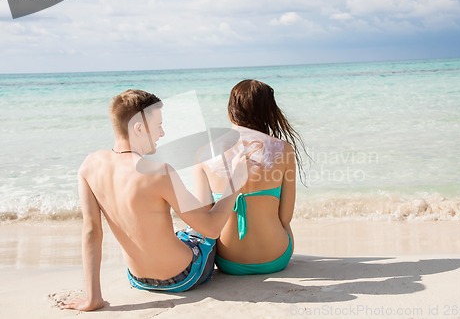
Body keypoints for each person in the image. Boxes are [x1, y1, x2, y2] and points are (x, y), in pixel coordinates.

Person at [61, 89, 245, 311]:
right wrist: (234, 182)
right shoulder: (158, 172)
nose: (163, 133)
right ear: (139, 128)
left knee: (183, 229)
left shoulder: (89, 165)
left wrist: (93, 298)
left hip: (138, 278)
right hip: (183, 277)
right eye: (158, 125)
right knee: (203, 229)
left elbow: (91, 232)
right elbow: (212, 228)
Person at [194, 79, 307, 275]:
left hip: (227, 261)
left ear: (231, 110)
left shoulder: (204, 153)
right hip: (276, 257)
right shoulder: (283, 149)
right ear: (269, 111)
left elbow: (204, 220)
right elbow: (285, 217)